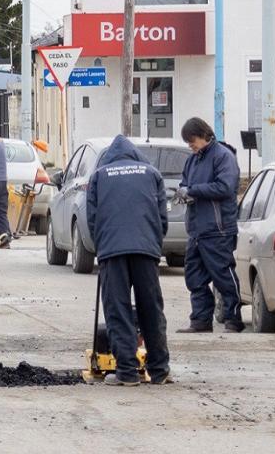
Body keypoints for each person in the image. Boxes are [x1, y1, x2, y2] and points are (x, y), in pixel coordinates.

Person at [86, 135, 171, 387]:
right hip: (146, 250)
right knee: (151, 309)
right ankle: (159, 370)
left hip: (112, 251)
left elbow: (92, 218)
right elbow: (161, 217)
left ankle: (126, 372)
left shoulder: (99, 176)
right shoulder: (152, 173)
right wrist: (153, 245)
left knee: (118, 309)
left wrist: (101, 247)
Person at [176, 117, 244, 333]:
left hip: (218, 229)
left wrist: (193, 191)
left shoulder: (223, 157)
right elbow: (185, 184)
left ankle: (234, 318)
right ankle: (200, 320)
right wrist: (183, 192)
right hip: (196, 229)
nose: (190, 145)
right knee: (194, 277)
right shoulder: (193, 160)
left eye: (191, 140)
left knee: (223, 275)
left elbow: (225, 187)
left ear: (203, 134)